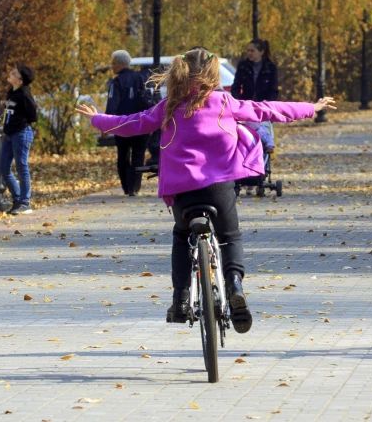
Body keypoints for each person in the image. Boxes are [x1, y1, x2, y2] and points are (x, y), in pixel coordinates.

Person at [75, 47, 336, 332]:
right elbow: (267, 109)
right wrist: (313, 107)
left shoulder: (169, 107)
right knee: (230, 236)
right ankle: (234, 283)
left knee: (180, 235)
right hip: (218, 190)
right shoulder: (224, 102)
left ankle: (180, 300)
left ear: (179, 73)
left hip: (182, 193)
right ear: (213, 74)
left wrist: (97, 118)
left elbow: (132, 123)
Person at [230, 39, 279, 193]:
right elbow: (236, 86)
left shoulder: (270, 67)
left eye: (252, 51)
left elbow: (274, 89)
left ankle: (259, 172)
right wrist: (239, 101)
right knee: (244, 139)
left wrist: (268, 102)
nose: (249, 54)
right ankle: (244, 173)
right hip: (246, 108)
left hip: (263, 108)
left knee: (262, 136)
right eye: (248, 51)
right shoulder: (243, 66)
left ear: (261, 52)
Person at [105, 50, 151, 197]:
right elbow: (148, 100)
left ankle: (126, 187)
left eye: (114, 63)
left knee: (123, 155)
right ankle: (135, 187)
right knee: (138, 155)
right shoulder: (141, 78)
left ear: (122, 64)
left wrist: (106, 123)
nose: (112, 66)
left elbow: (113, 103)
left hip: (122, 124)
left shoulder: (117, 82)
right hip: (140, 123)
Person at [1, 64, 38, 215]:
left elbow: (33, 116)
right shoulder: (11, 92)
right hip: (9, 135)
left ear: (20, 80)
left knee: (22, 167)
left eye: (14, 73)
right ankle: (17, 199)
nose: (10, 73)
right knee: (3, 168)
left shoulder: (24, 95)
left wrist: (19, 122)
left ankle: (25, 202)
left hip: (21, 133)